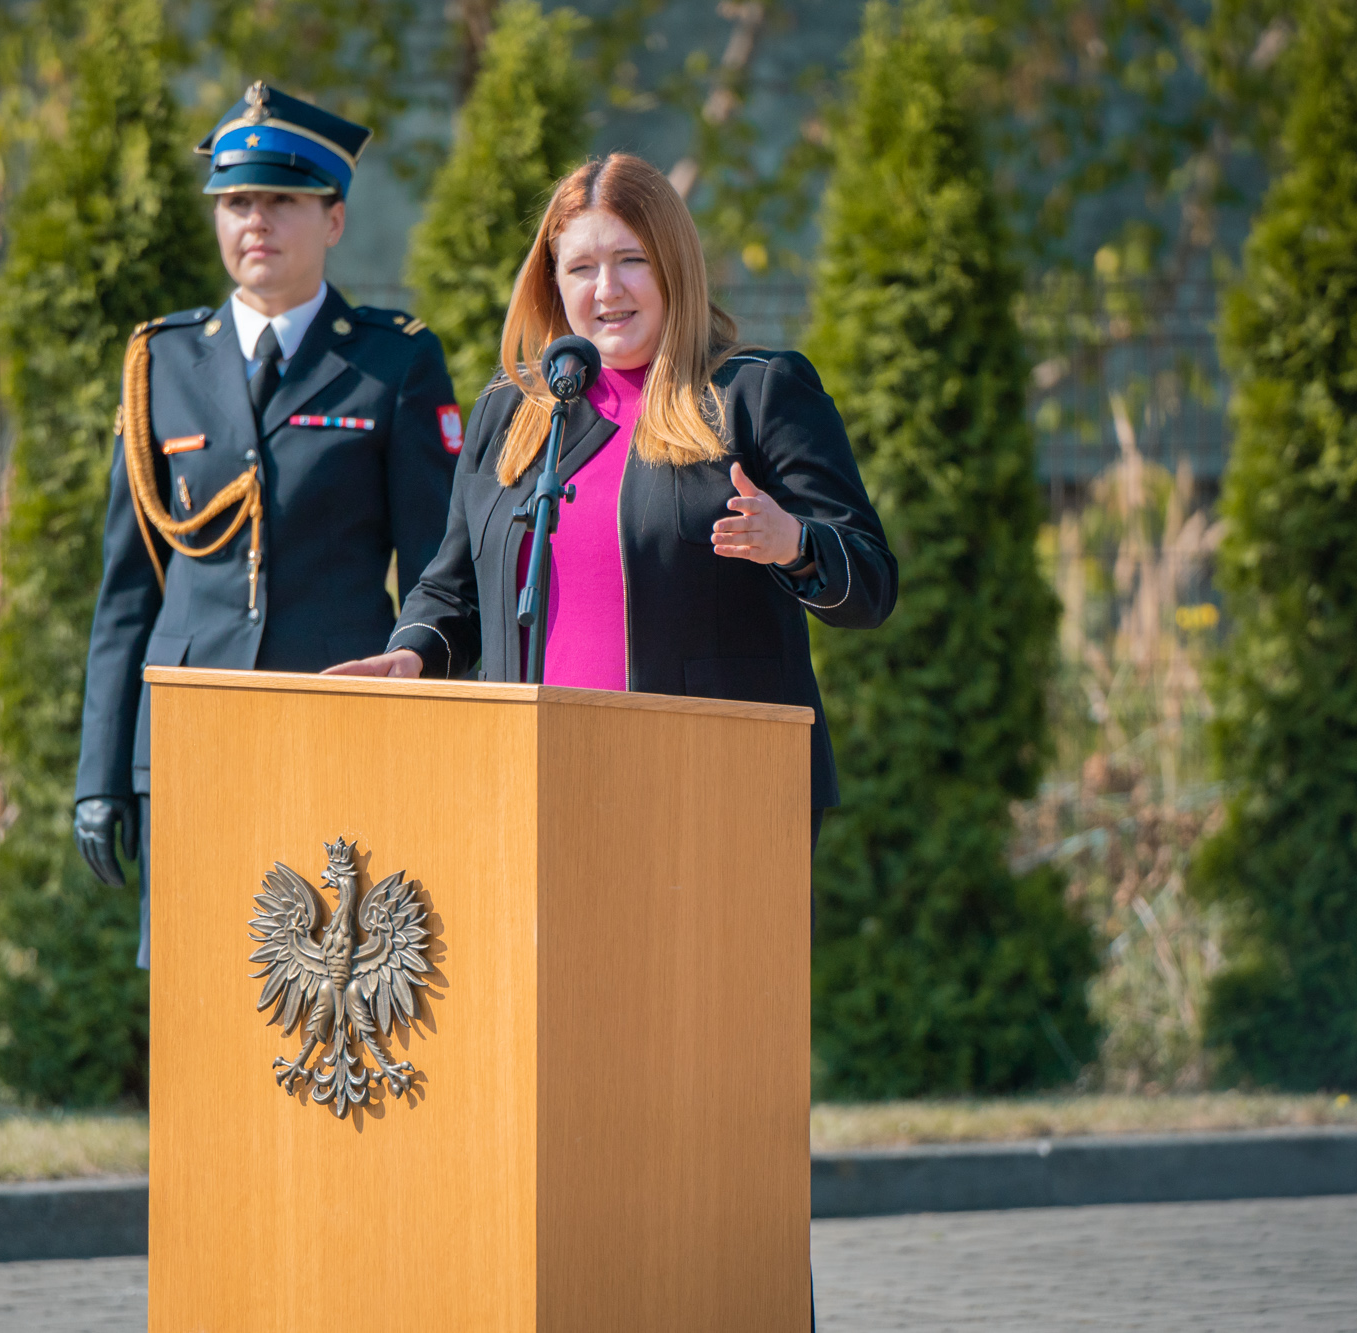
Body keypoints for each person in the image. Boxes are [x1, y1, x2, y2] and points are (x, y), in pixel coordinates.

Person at [327, 152, 895, 838]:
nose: (607, 289)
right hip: (533, 788)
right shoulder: (512, 411)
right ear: (552, 284)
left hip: (716, 794)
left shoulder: (755, 394)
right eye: (581, 268)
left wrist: (795, 544)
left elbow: (871, 583)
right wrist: (411, 653)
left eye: (632, 260)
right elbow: (453, 591)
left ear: (673, 265)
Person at [74, 82, 461, 966]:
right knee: (197, 984)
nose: (256, 221)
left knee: (333, 982)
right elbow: (127, 592)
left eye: (283, 200)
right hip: (189, 733)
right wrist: (100, 772)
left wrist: (435, 735)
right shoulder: (162, 361)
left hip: (335, 720)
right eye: (236, 201)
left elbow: (434, 575)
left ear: (334, 218)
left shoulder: (393, 361)